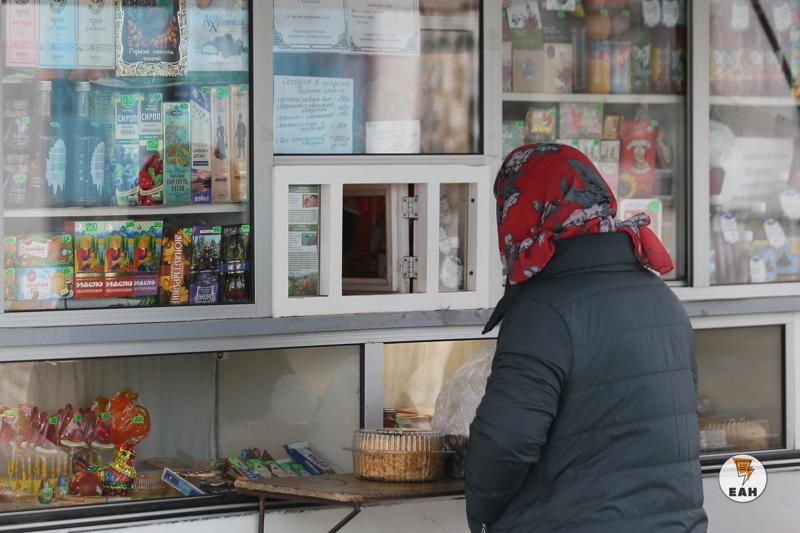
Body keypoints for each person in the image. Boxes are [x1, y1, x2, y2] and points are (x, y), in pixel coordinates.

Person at [465, 144, 707, 533]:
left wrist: (481, 511)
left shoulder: (543, 311)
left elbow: (505, 443)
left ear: (521, 211)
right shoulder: (661, 298)